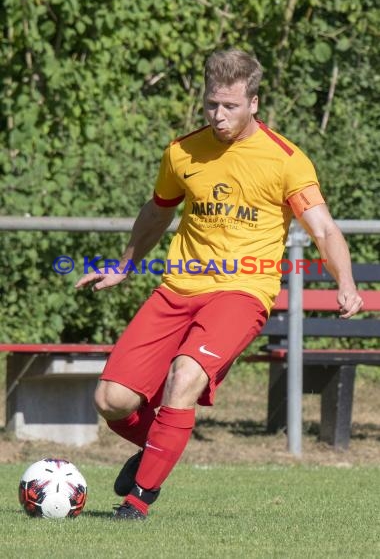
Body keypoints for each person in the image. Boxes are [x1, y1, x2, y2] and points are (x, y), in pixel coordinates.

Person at [75, 49, 363, 520]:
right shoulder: (182, 152)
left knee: (183, 378)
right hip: (175, 290)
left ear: (254, 101)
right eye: (211, 104)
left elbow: (325, 229)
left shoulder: (285, 159)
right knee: (111, 399)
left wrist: (345, 283)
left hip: (241, 293)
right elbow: (156, 213)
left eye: (229, 105)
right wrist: (125, 264)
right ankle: (159, 449)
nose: (218, 116)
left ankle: (138, 500)